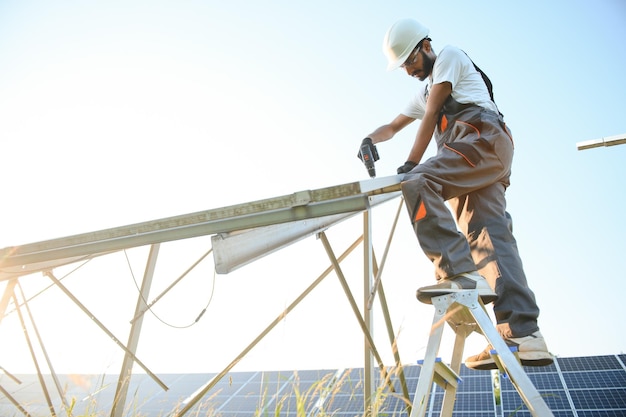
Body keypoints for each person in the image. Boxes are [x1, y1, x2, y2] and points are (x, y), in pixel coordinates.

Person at [359, 18, 552, 370]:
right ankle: (522, 335)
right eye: (402, 65)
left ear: (426, 46)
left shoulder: (448, 56)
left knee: (416, 182)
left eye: (411, 61)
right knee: (488, 238)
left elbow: (432, 114)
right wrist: (371, 139)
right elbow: (394, 125)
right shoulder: (422, 90)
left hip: (480, 139)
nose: (408, 70)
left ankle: (457, 273)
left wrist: (411, 163)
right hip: (477, 156)